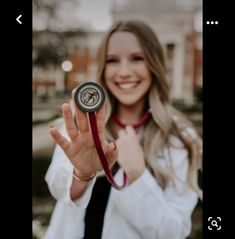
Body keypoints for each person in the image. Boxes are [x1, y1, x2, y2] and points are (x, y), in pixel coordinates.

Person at [44, 20, 202, 239]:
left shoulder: (180, 136)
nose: (124, 72)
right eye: (112, 60)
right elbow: (57, 189)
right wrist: (82, 174)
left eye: (137, 58)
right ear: (103, 67)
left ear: (154, 63)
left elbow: (173, 231)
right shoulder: (82, 123)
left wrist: (138, 175)